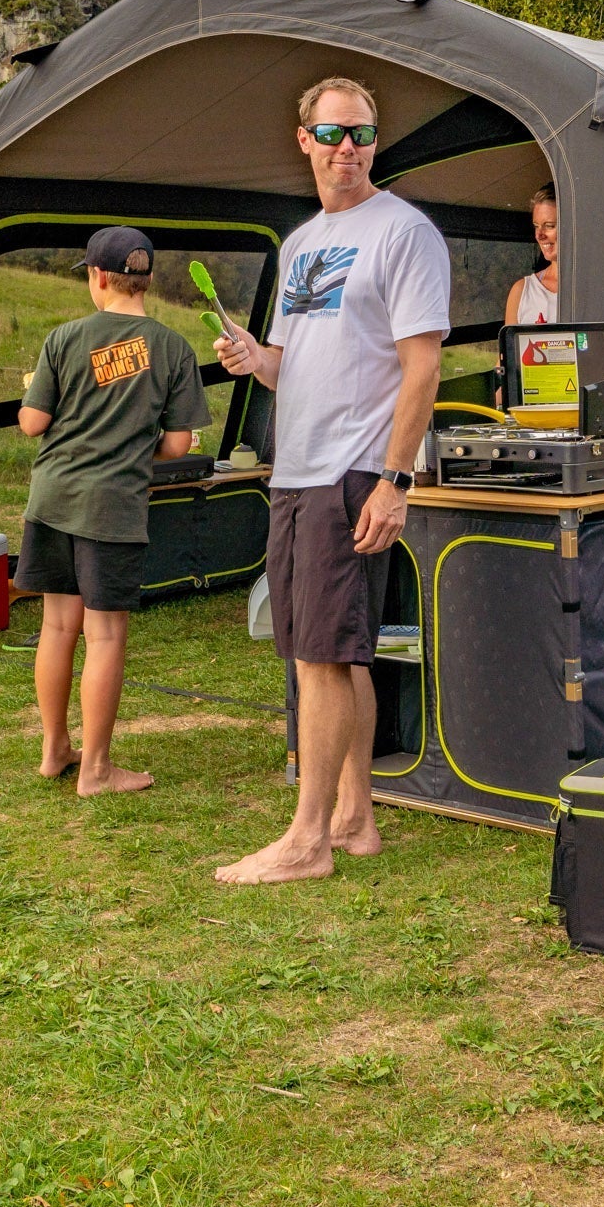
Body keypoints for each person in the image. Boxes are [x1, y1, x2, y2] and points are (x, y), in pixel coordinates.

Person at [211, 75, 449, 885]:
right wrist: (254, 358)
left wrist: (396, 478)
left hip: (353, 470)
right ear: (303, 139)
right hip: (296, 470)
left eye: (363, 134)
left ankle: (307, 841)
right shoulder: (302, 243)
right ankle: (353, 819)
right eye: (334, 133)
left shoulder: (405, 233)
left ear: (375, 144)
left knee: (320, 655)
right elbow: (294, 364)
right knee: (338, 653)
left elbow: (422, 366)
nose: (348, 148)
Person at [17, 226, 212, 795]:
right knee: (104, 637)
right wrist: (133, 445)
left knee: (57, 625)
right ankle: (97, 769)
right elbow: (178, 446)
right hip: (113, 507)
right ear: (145, 280)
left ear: (98, 277)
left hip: (52, 499)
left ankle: (55, 750)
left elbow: (33, 423)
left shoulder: (63, 338)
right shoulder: (174, 348)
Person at [504, 183, 558, 326]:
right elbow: (510, 348)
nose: (539, 235)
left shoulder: (597, 288)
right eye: (536, 226)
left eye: (549, 226)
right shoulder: (521, 291)